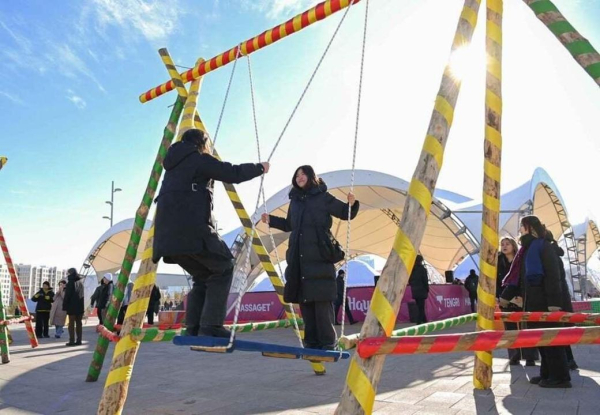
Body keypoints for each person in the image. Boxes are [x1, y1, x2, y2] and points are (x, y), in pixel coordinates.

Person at [152, 128, 269, 338]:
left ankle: (193, 327)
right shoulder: (198, 159)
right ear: (202, 143)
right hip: (191, 230)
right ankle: (211, 326)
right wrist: (260, 168)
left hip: (166, 237)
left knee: (202, 275)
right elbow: (232, 172)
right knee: (224, 267)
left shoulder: (171, 167)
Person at [262, 165, 359, 350]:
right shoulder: (295, 201)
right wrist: (271, 220)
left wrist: (352, 204)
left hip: (320, 253)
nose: (299, 177)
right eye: (296, 175)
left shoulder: (322, 196)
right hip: (299, 255)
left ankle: (327, 343)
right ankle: (311, 343)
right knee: (305, 302)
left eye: (303, 174)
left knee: (322, 302)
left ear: (311, 176)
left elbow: (345, 213)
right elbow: (290, 224)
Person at [500, 215, 570, 388]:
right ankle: (546, 373)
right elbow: (520, 279)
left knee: (552, 340)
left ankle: (560, 377)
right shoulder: (526, 249)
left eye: (522, 226)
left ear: (530, 228)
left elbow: (554, 277)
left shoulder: (543, 246)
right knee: (541, 340)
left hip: (546, 303)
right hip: (532, 303)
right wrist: (505, 297)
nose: (520, 230)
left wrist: (554, 304)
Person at [497, 236, 538, 366]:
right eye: (502, 244)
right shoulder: (498, 262)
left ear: (513, 245)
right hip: (505, 299)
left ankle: (529, 357)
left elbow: (523, 280)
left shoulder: (521, 260)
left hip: (521, 299)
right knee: (510, 328)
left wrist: (520, 297)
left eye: (507, 243)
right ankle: (514, 356)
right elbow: (496, 282)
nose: (504, 246)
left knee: (526, 327)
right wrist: (500, 297)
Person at [546, 230, 579, 371]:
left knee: (559, 332)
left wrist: (554, 302)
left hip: (556, 300)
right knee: (561, 331)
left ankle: (568, 361)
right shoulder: (554, 252)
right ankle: (569, 360)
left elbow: (554, 280)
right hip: (561, 299)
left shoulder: (549, 254)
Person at [63, 267, 85, 346]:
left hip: (72, 307)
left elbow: (67, 295)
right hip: (80, 306)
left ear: (70, 273)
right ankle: (79, 340)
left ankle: (71, 341)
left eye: (68, 273)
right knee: (79, 324)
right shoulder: (80, 282)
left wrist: (65, 305)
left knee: (71, 324)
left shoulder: (70, 282)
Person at [408, 255, 429, 324]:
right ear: (421, 261)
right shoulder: (423, 269)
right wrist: (427, 289)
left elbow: (409, 280)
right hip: (422, 289)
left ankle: (425, 320)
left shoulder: (412, 270)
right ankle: (419, 322)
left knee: (419, 305)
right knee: (421, 307)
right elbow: (425, 280)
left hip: (414, 290)